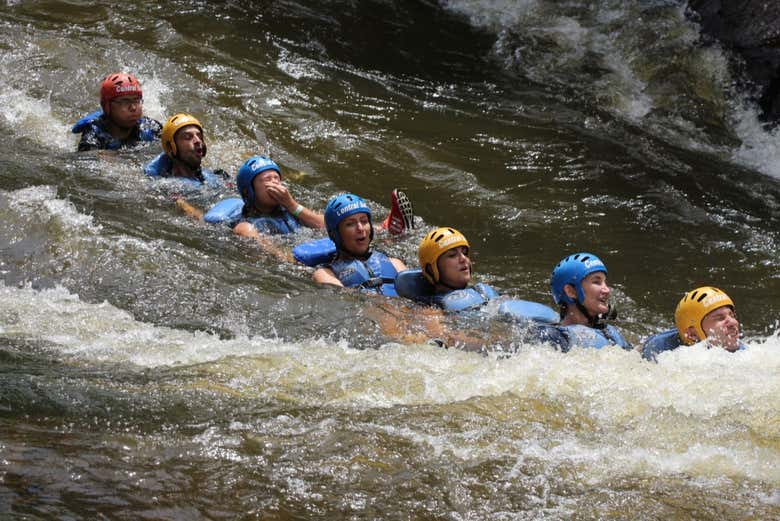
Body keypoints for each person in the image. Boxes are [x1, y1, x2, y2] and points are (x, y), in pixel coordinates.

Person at [534, 252, 632, 351]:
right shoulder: (552, 338)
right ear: (571, 291)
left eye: (604, 282)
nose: (607, 290)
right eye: (597, 282)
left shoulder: (611, 334)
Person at [312, 193, 406, 295]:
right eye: (350, 224)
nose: (360, 229)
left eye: (364, 221)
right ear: (335, 234)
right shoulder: (325, 274)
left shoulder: (395, 264)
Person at [642, 286, 745, 360]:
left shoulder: (746, 352)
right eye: (719, 318)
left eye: (731, 315)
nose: (733, 322)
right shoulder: (661, 352)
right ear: (693, 334)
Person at [74, 72, 162, 152]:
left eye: (136, 100)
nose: (133, 107)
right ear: (107, 107)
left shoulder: (151, 127)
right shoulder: (94, 135)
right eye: (125, 102)